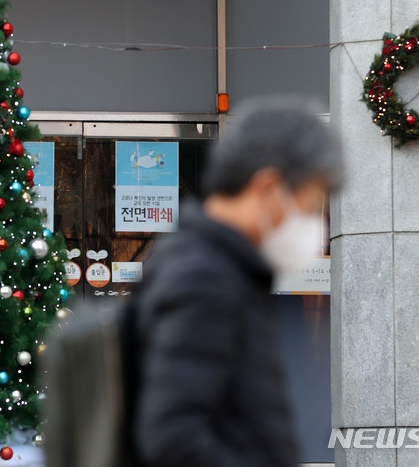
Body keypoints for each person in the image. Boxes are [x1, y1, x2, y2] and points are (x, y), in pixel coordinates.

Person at [130, 97, 342, 467]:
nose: (318, 228)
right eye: (310, 207)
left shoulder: (215, 265)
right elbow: (173, 439)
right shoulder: (205, 278)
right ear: (268, 188)